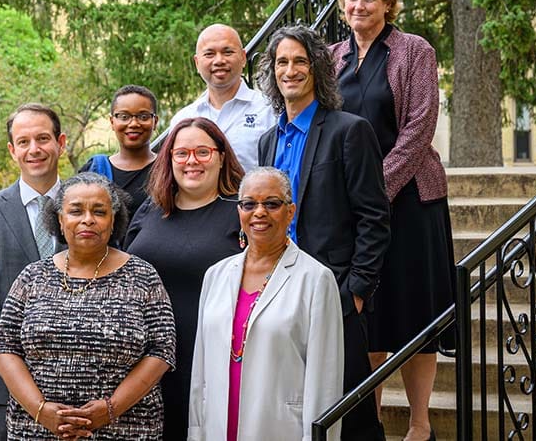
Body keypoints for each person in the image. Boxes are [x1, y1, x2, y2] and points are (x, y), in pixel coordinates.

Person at [331, 0, 455, 441]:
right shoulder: (333, 55)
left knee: (413, 311)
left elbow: (419, 127)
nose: (358, 6)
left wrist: (372, 190)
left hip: (409, 202)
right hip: (353, 208)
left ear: (387, 2)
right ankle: (372, 421)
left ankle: (420, 424)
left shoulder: (413, 50)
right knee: (367, 316)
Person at [257, 25, 391, 441]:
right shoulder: (267, 141)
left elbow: (375, 216)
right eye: (282, 62)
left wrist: (356, 289)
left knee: (350, 414)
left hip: (333, 291)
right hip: (275, 289)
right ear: (272, 72)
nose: (291, 70)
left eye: (300, 61)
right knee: (286, 402)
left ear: (317, 68)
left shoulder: (349, 131)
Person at [0, 172, 176, 440]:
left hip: (125, 427)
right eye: (76, 211)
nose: (87, 219)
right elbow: (5, 347)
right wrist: (41, 410)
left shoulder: (142, 276)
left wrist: (110, 409)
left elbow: (162, 350)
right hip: (37, 429)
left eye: (99, 211)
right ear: (60, 218)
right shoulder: (32, 276)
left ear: (113, 220)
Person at [189, 167, 344, 441]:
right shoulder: (216, 275)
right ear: (239, 211)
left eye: (271, 204)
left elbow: (325, 382)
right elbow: (200, 376)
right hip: (217, 428)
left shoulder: (316, 279)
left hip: (280, 429)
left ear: (290, 211)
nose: (259, 212)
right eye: (249, 204)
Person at [125, 117, 245, 440]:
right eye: (182, 153)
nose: (191, 161)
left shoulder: (243, 213)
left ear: (221, 157)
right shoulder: (150, 210)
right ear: (170, 160)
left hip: (212, 362)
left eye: (202, 152)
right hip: (146, 362)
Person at [0, 103, 67, 440]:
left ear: (60, 143)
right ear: (12, 150)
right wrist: (15, 352)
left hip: (78, 377)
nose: (34, 150)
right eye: (23, 142)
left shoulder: (90, 205)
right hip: (7, 379)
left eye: (42, 139)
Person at [169, 23, 276, 172]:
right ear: (197, 63)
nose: (219, 60)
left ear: (243, 58)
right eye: (209, 54)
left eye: (228, 52)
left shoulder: (269, 110)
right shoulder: (183, 119)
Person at [80, 85, 158, 217]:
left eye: (143, 117)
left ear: (155, 121)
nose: (133, 123)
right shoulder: (95, 170)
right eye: (124, 116)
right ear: (112, 121)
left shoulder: (169, 168)